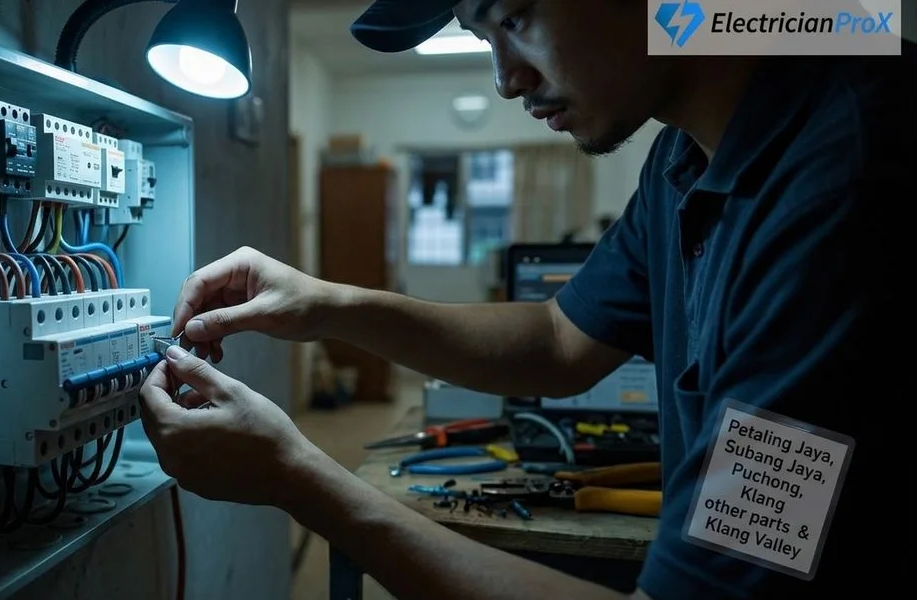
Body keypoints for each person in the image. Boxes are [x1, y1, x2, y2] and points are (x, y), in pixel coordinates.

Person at [139, 0, 909, 597]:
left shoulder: (848, 181)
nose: (506, 78)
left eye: (514, 17)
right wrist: (325, 305)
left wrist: (297, 479)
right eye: (484, 38)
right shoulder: (687, 159)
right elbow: (557, 339)